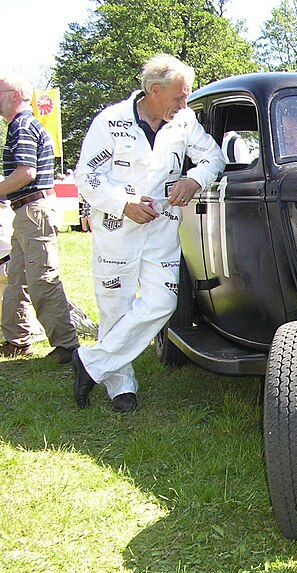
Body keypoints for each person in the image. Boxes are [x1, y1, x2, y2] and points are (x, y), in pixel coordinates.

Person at [72, 54, 225, 412]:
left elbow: (213, 157)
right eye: (179, 97)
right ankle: (120, 385)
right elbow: (87, 176)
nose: (184, 104)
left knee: (162, 302)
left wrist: (194, 178)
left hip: (162, 228)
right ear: (154, 91)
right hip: (117, 229)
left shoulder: (184, 122)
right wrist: (122, 203)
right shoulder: (110, 122)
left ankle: (91, 362)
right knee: (115, 308)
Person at [0, 73, 79, 362]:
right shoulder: (23, 125)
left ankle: (67, 346)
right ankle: (17, 340)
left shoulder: (21, 126)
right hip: (28, 211)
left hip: (33, 211)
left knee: (42, 279)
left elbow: (26, 173)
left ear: (13, 95)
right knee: (17, 278)